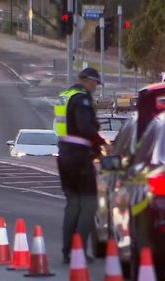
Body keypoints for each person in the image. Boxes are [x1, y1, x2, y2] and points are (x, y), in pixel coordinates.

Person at [54, 68, 107, 264]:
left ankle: (67, 251)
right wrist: (100, 142)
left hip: (64, 155)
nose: (94, 88)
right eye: (94, 84)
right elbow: (85, 127)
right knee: (90, 203)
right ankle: (79, 251)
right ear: (86, 81)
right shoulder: (82, 99)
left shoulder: (65, 96)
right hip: (79, 158)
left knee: (73, 203)